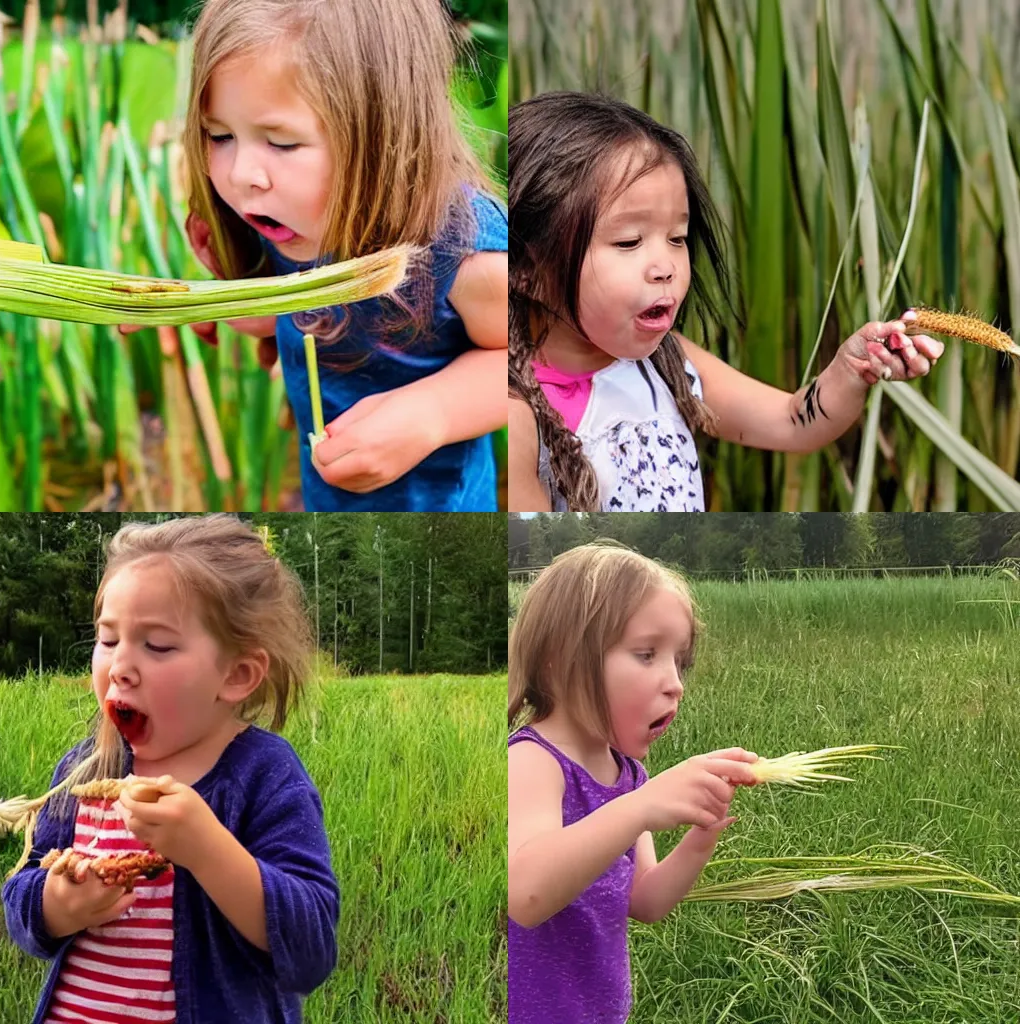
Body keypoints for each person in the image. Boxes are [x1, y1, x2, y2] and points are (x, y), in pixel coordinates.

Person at [122, 0, 507, 511]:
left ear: (384, 130)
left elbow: (529, 363)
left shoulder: (463, 256)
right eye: (220, 136)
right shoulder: (291, 219)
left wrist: (430, 413)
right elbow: (313, 310)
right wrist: (217, 304)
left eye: (281, 143)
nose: (241, 175)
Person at [508, 91, 943, 511]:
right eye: (628, 242)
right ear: (526, 268)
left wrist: (852, 369)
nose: (666, 266)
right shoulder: (516, 414)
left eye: (677, 238)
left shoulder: (669, 364)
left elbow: (792, 421)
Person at [2, 515, 339, 1024]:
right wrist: (56, 905)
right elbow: (22, 894)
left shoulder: (263, 774)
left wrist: (207, 849)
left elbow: (310, 949)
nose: (120, 666)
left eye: (156, 645)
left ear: (237, 674)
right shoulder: (86, 767)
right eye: (108, 639)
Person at [508, 543, 759, 1023]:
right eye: (647, 654)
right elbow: (525, 894)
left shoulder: (627, 774)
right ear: (559, 660)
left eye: (680, 663)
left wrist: (703, 833)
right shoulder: (532, 761)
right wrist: (641, 806)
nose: (675, 684)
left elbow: (644, 900)